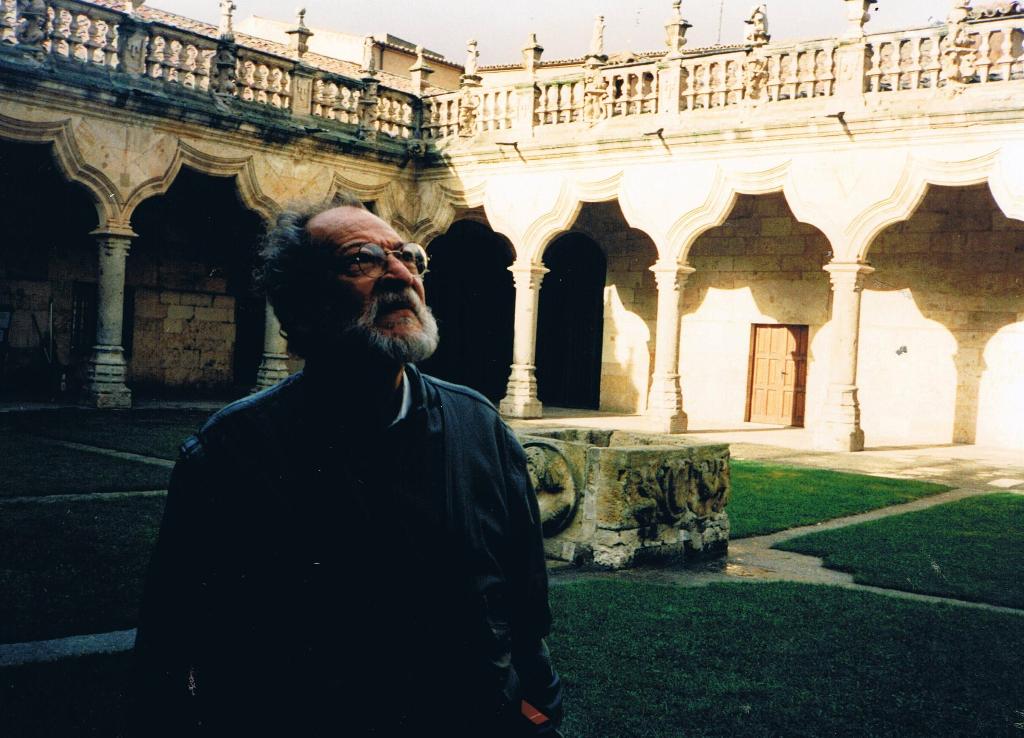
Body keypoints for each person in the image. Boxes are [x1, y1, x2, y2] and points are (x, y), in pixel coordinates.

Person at [132, 195, 564, 736]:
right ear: (298, 308)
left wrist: (540, 716)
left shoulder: (479, 428)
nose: (400, 274)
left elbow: (525, 614)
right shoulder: (230, 455)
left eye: (409, 258)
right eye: (362, 260)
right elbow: (171, 649)